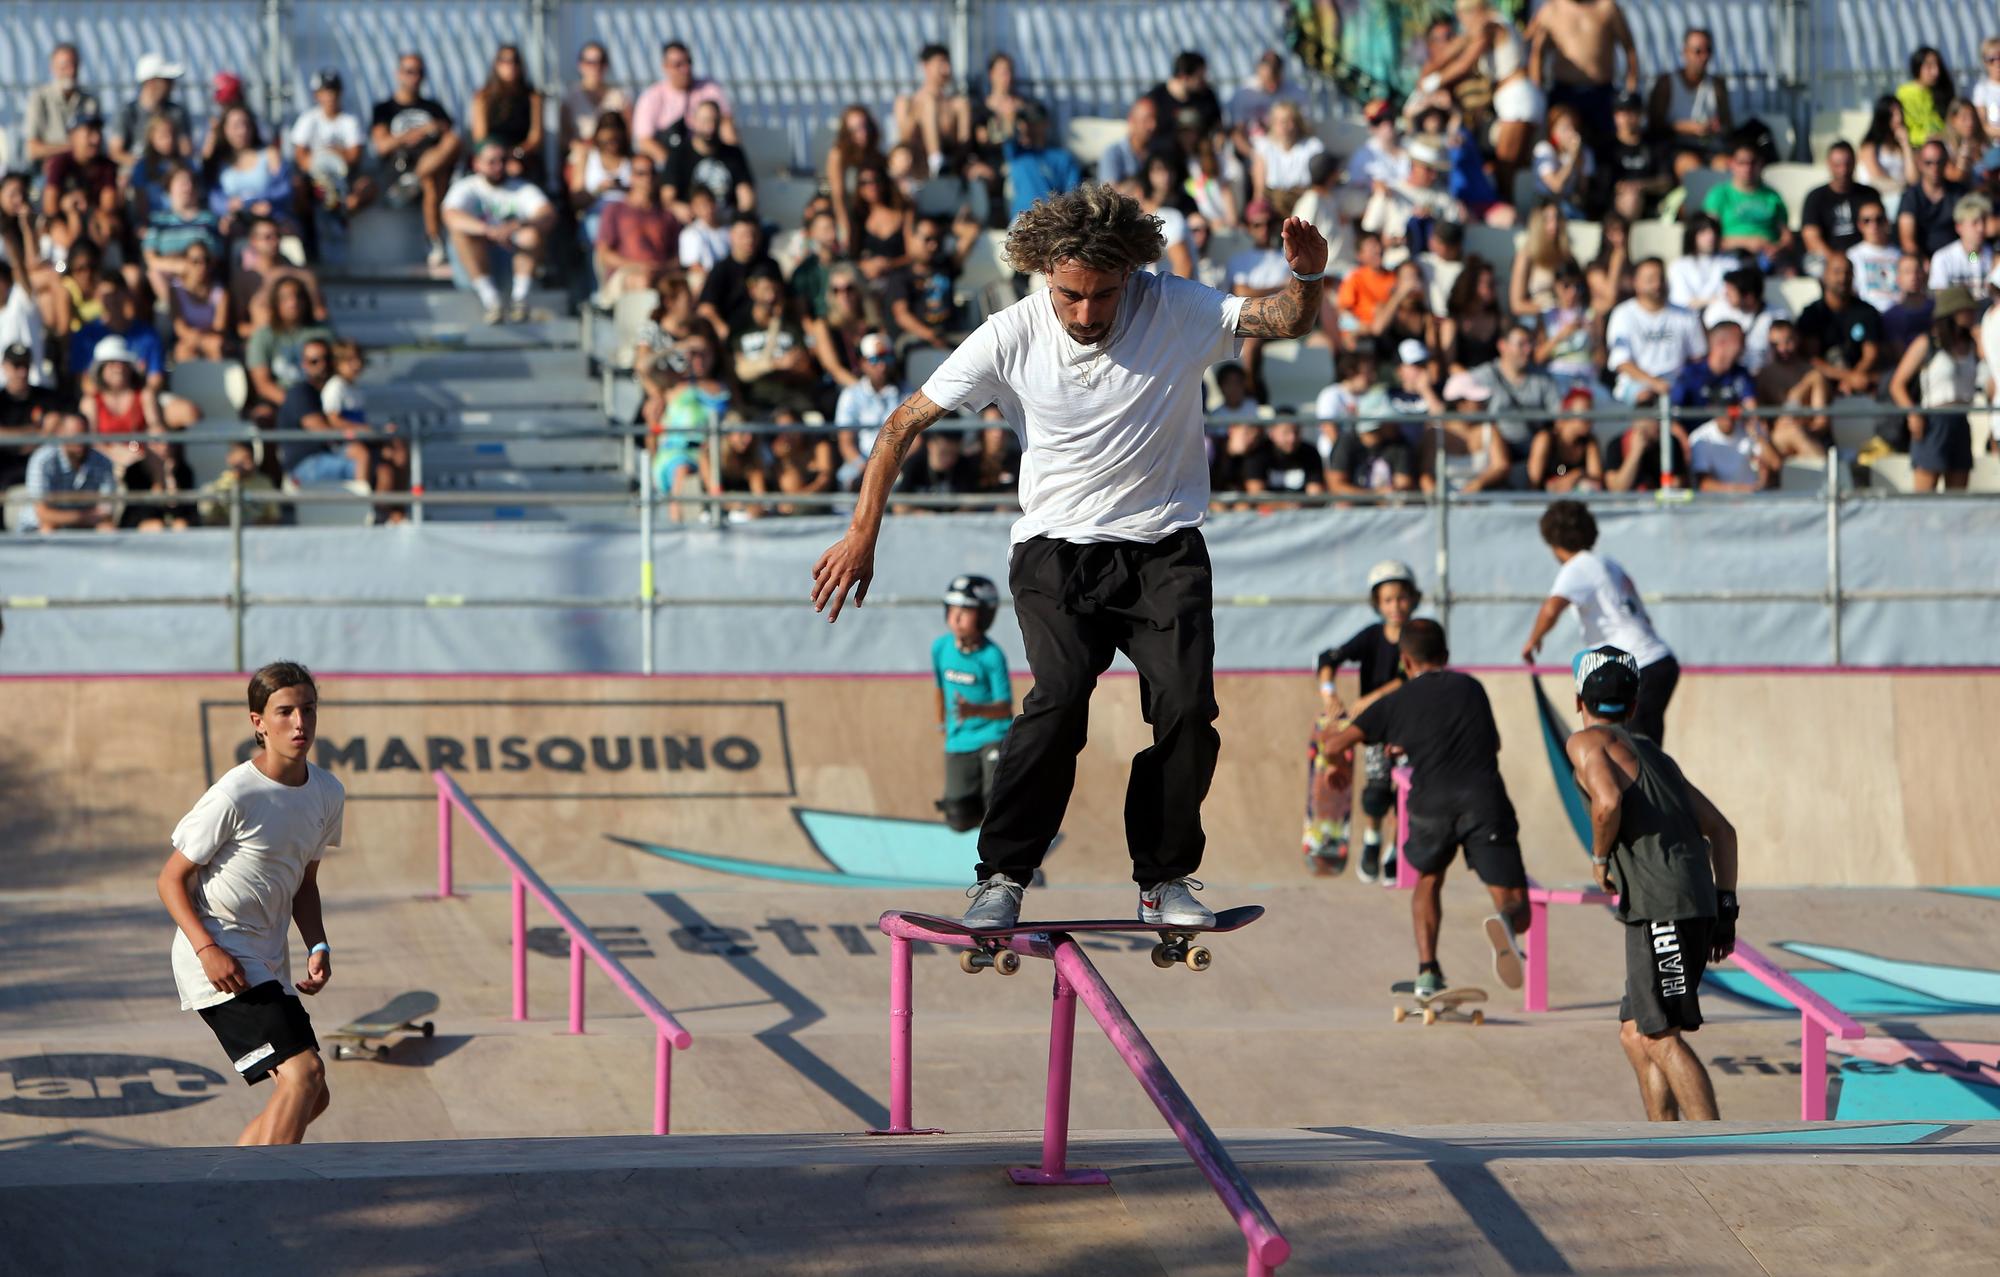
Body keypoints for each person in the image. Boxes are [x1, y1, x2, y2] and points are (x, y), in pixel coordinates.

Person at [812, 184, 1329, 928]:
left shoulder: (1174, 307)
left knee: (1186, 708)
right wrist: (863, 531)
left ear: (1131, 275)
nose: (1086, 315)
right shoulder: (1010, 333)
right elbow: (901, 424)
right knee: (1057, 701)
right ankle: (1002, 876)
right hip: (1057, 553)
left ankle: (1164, 878)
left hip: (1163, 548)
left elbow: (1279, 318)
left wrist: (1306, 278)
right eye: (1070, 296)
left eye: (1103, 296)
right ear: (1043, 273)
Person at [157, 661, 341, 1145]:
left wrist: (317, 944)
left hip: (268, 957)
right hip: (219, 951)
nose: (299, 723)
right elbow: (171, 879)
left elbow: (305, 883)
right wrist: (206, 949)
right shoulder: (234, 794)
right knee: (302, 1075)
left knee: (311, 1094)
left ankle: (234, 1185)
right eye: (284, 712)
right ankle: (265, 1202)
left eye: (308, 710)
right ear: (258, 721)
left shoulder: (326, 792)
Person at [1564, 645, 1738, 1123]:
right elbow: (1722, 830)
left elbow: (1606, 801)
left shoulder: (1585, 744)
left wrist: (1599, 857)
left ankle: (1722, 1147)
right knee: (1633, 1030)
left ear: (1578, 700)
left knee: (1658, 1036)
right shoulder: (1657, 758)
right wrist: (1726, 908)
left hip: (1662, 905)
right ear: (1636, 706)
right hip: (1689, 900)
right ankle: (1665, 1136)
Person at [1320, 620, 1532, 996]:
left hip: (1429, 804)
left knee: (1429, 880)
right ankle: (1505, 921)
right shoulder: (1471, 688)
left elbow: (1336, 745)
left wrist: (1336, 759)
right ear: (1446, 656)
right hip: (1483, 800)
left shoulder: (1395, 702)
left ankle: (1427, 972)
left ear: (1404, 661)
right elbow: (1492, 744)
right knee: (1517, 902)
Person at [1523, 500, 1679, 741]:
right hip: (1659, 660)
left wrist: (1533, 640)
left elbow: (1551, 608)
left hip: (1638, 665)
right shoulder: (1608, 563)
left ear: (1553, 543)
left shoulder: (1576, 567)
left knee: (1631, 753)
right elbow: (1643, 614)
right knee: (1643, 748)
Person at [1312, 561, 1421, 881]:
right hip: (1376, 731)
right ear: (1378, 603)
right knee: (1376, 793)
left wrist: (1367, 700)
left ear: (1412, 599)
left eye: (1401, 598)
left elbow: (1408, 677)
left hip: (1411, 726)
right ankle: (1373, 839)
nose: (1396, 606)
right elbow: (1328, 658)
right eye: (1388, 600)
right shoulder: (1372, 637)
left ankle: (1394, 849)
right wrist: (1328, 692)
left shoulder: (1418, 635)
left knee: (1404, 794)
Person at [442, 139, 556, 324]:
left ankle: (520, 299)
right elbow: (450, 216)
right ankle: (491, 300)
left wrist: (518, 225)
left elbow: (547, 215)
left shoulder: (522, 188)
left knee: (531, 234)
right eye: (491, 162)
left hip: (509, 262)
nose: (499, 166)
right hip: (473, 268)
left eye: (502, 160)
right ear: (476, 163)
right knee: (461, 233)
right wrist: (488, 230)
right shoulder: (465, 187)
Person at [931, 574, 1013, 831]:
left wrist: (973, 710)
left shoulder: (992, 656)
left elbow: (1004, 709)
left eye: (965, 611)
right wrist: (942, 722)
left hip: (992, 735)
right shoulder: (941, 648)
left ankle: (1007, 859)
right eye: (952, 609)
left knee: (996, 806)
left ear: (984, 616)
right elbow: (939, 687)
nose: (956, 617)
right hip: (959, 739)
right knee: (958, 817)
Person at [371, 53, 462, 270]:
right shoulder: (385, 109)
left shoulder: (433, 107)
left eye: (420, 72)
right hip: (399, 168)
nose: (415, 77)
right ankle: (433, 241)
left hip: (430, 166)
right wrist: (417, 133)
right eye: (410, 71)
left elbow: (453, 143)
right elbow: (381, 146)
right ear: (398, 74)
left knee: (450, 145)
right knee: (431, 180)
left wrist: (437, 129)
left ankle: (416, 180)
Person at [1888, 285, 1980, 491]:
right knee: (1925, 496)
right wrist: (1913, 414)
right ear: (1953, 311)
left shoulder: (1972, 343)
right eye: (1967, 309)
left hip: (1961, 419)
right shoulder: (1927, 343)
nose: (1972, 314)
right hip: (1933, 420)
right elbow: (1897, 384)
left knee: (1957, 497)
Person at [1526, 0, 1640, 160]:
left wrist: (1631, 86)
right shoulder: (1551, 10)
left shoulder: (1606, 7)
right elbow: (1536, 52)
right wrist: (1536, 90)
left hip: (1601, 93)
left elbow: (1629, 48)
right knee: (1562, 146)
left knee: (1606, 147)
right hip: (1564, 93)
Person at [1606, 257, 1707, 405]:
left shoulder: (1686, 315)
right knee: (1645, 398)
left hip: (1677, 382)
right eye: (1650, 279)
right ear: (1636, 283)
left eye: (1661, 278)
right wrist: (1654, 383)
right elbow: (1621, 362)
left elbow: (1697, 357)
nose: (1657, 284)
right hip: (1637, 383)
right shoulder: (1622, 314)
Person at [882, 212, 979, 350]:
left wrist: (949, 227)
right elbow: (902, 315)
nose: (933, 245)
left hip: (952, 336)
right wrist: (931, 336)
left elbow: (971, 233)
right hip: (917, 340)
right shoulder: (900, 276)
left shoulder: (946, 266)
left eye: (937, 239)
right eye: (927, 239)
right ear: (912, 238)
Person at [1647, 27, 1732, 177]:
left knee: (1725, 168)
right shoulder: (1667, 84)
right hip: (1676, 147)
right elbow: (1653, 125)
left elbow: (1728, 125)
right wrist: (1686, 127)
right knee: (1694, 171)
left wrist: (1716, 126)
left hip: (1710, 146)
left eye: (1708, 51)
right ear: (1685, 52)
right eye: (1698, 51)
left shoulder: (1717, 85)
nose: (1704, 57)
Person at [291, 70, 376, 220]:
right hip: (315, 178)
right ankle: (306, 222)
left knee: (367, 186)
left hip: (344, 177)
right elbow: (300, 157)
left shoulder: (350, 120)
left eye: (333, 91)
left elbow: (354, 157)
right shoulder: (308, 119)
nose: (330, 96)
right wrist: (326, 162)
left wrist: (326, 155)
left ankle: (343, 214)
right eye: (325, 91)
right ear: (316, 95)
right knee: (297, 186)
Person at [593, 153, 679, 301]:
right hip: (624, 274)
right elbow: (603, 254)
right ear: (631, 177)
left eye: (652, 173)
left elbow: (677, 258)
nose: (647, 178)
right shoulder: (615, 210)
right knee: (643, 281)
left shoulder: (667, 216)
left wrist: (659, 268)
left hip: (659, 273)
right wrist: (638, 266)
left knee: (684, 287)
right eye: (641, 173)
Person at [1795, 254, 1883, 397]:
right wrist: (1847, 377)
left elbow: (1871, 354)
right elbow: (1811, 358)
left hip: (1861, 378)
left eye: (1847, 272)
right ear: (1825, 276)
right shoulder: (1813, 313)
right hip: (1825, 380)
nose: (1842, 278)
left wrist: (1853, 378)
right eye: (1836, 272)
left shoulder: (1867, 312)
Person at [634, 41, 736, 163]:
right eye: (678, 65)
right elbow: (645, 142)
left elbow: (727, 128)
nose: (685, 69)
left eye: (688, 62)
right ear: (665, 67)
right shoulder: (651, 96)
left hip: (707, 160)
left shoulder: (710, 88)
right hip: (669, 163)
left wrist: (732, 161)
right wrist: (675, 168)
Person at [204, 104, 295, 239]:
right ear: (225, 130)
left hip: (270, 220)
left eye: (246, 125)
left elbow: (284, 188)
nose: (242, 131)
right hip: (235, 225)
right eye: (235, 126)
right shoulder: (219, 162)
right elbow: (214, 196)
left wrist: (253, 202)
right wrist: (229, 206)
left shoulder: (269, 154)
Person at [660, 99, 756, 223]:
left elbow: (746, 197)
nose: (710, 127)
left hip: (725, 224)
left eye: (714, 121)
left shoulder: (733, 154)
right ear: (694, 121)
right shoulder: (678, 154)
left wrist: (740, 221)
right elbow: (667, 198)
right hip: (691, 224)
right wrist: (678, 207)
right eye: (705, 121)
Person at [21, 412, 117, 533]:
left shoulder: (103, 462)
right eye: (74, 435)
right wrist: (83, 517)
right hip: (37, 527)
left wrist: (81, 519)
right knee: (48, 529)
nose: (79, 441)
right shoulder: (42, 461)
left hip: (85, 526)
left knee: (108, 529)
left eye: (83, 434)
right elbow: (42, 514)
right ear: (60, 434)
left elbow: (106, 512)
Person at [1702, 144, 1793, 270]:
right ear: (1731, 164)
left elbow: (1787, 237)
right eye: (1741, 163)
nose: (1747, 168)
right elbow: (1707, 238)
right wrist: (1746, 242)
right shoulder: (1719, 195)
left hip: (1770, 260)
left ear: (1760, 164)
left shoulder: (1772, 196)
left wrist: (1776, 249)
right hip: (1731, 258)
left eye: (1752, 163)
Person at [894, 43, 972, 179]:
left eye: (948, 63)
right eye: (941, 63)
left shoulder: (957, 104)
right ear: (925, 66)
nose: (946, 69)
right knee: (929, 103)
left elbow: (963, 143)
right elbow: (904, 139)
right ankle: (935, 161)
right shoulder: (907, 102)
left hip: (949, 164)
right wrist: (920, 113)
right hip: (915, 163)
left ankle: (938, 165)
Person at [1799, 143, 1881, 269]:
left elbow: (1878, 230)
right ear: (1829, 164)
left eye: (1847, 164)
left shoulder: (1869, 195)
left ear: (1855, 163)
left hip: (1866, 261)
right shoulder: (1816, 197)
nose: (1843, 170)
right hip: (1827, 263)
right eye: (1838, 165)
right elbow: (1811, 238)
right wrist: (1836, 262)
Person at [560, 41, 632, 185]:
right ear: (580, 65)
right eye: (589, 62)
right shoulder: (570, 98)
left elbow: (628, 134)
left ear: (606, 65)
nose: (595, 67)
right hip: (582, 156)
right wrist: (583, 148)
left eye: (600, 62)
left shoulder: (620, 97)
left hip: (612, 153)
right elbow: (564, 138)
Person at [111, 53, 192, 168]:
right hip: (136, 176)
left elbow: (186, 150)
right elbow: (115, 152)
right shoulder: (127, 112)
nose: (172, 85)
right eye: (166, 80)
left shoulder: (176, 112)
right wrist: (144, 168)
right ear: (151, 82)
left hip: (169, 174)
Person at [1002, 104, 1081, 221]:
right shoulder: (1016, 153)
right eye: (1026, 122)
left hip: (1051, 220)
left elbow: (1072, 195)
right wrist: (1010, 118)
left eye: (1035, 122)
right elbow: (1008, 136)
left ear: (1046, 123)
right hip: (1021, 219)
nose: (1029, 127)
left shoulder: (1062, 157)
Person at [827, 105, 888, 253]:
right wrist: (844, 225)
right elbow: (838, 195)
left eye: (864, 126)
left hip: (867, 213)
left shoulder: (876, 155)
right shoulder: (838, 155)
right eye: (855, 129)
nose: (862, 133)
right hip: (847, 211)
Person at [1603, 91, 1673, 220]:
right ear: (1614, 116)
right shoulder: (1606, 147)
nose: (1626, 117)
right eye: (1621, 111)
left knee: (1632, 197)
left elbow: (1666, 181)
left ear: (1641, 114)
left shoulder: (1655, 145)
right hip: (1613, 208)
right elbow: (1601, 183)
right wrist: (1621, 188)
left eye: (1631, 111)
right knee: (1630, 198)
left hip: (1651, 206)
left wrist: (1641, 186)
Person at [1897, 140, 1966, 259]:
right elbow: (1907, 242)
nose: (1934, 167)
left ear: (1946, 162)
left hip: (1958, 259)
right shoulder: (1911, 196)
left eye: (1939, 162)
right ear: (1919, 164)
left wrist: (1973, 259)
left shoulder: (1959, 193)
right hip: (1923, 264)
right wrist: (1926, 264)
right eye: (1928, 163)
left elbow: (1973, 232)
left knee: (1977, 256)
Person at [1528, 386, 1607, 491]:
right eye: (1586, 412)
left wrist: (1576, 475)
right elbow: (1533, 483)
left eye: (1591, 412)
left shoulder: (1589, 441)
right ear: (1568, 412)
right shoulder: (1545, 439)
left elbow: (1597, 480)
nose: (1590, 419)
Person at [25, 43, 90, 165]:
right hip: (48, 168)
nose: (70, 72)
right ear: (52, 68)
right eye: (64, 66)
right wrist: (72, 148)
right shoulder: (39, 99)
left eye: (74, 65)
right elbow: (32, 150)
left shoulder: (89, 101)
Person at [1145, 51, 1224, 143]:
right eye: (1200, 77)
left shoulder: (1206, 96)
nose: (1204, 81)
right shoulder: (1155, 100)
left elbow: (1217, 125)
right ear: (1184, 77)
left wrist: (1219, 137)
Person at [1926, 194, 1994, 297]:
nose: (1981, 228)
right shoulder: (1942, 258)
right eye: (1974, 223)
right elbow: (1939, 298)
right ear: (1959, 227)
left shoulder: (1994, 256)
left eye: (1983, 222)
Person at [1666, 213, 1736, 312]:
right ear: (1692, 235)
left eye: (1713, 232)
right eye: (1703, 232)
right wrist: (1713, 301)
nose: (1711, 237)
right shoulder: (1678, 266)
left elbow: (1733, 298)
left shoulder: (1731, 263)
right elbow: (1680, 302)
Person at [1845, 198, 1903, 313]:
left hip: (1899, 316)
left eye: (1879, 219)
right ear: (1859, 225)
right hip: (1867, 316)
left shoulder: (1900, 254)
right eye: (1867, 220)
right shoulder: (1852, 255)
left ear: (1886, 221)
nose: (1874, 225)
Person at [1896, 46, 1954, 148]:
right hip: (1917, 148)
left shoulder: (1940, 91)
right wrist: (1926, 137)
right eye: (1929, 66)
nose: (1936, 72)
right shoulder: (1905, 94)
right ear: (1918, 66)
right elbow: (1902, 127)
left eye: (1937, 66)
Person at [1858, 95, 1916, 195]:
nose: (1899, 118)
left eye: (1900, 112)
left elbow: (1913, 180)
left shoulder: (1902, 147)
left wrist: (1906, 146)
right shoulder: (1869, 147)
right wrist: (1902, 186)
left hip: (1901, 196)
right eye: (1893, 114)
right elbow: (1877, 176)